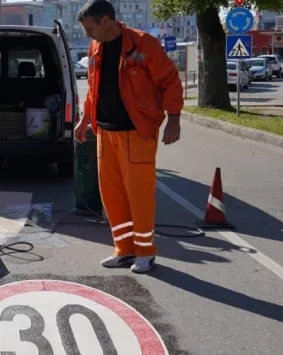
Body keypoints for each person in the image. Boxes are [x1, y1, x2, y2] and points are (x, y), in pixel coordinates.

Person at [75, 0, 183, 274]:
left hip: (136, 132)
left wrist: (174, 119)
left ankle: (145, 253)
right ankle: (123, 250)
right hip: (105, 132)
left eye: (90, 29)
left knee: (139, 195)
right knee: (111, 195)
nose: (89, 35)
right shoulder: (96, 47)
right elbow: (92, 89)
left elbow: (169, 80)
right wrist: (84, 120)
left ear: (106, 21)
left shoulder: (143, 44)